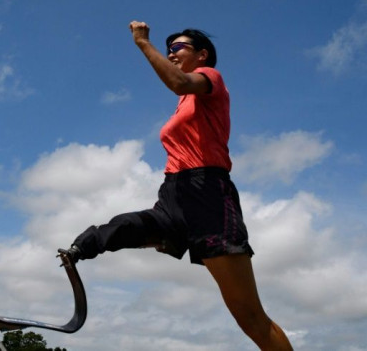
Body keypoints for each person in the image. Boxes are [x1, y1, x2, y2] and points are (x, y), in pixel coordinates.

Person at [60, 21, 293, 350]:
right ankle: (80, 249)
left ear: (202, 55)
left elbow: (178, 82)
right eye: (167, 49)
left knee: (250, 317)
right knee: (126, 226)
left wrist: (143, 42)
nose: (170, 53)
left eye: (177, 48)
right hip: (173, 195)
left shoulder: (211, 78)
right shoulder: (185, 104)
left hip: (208, 195)